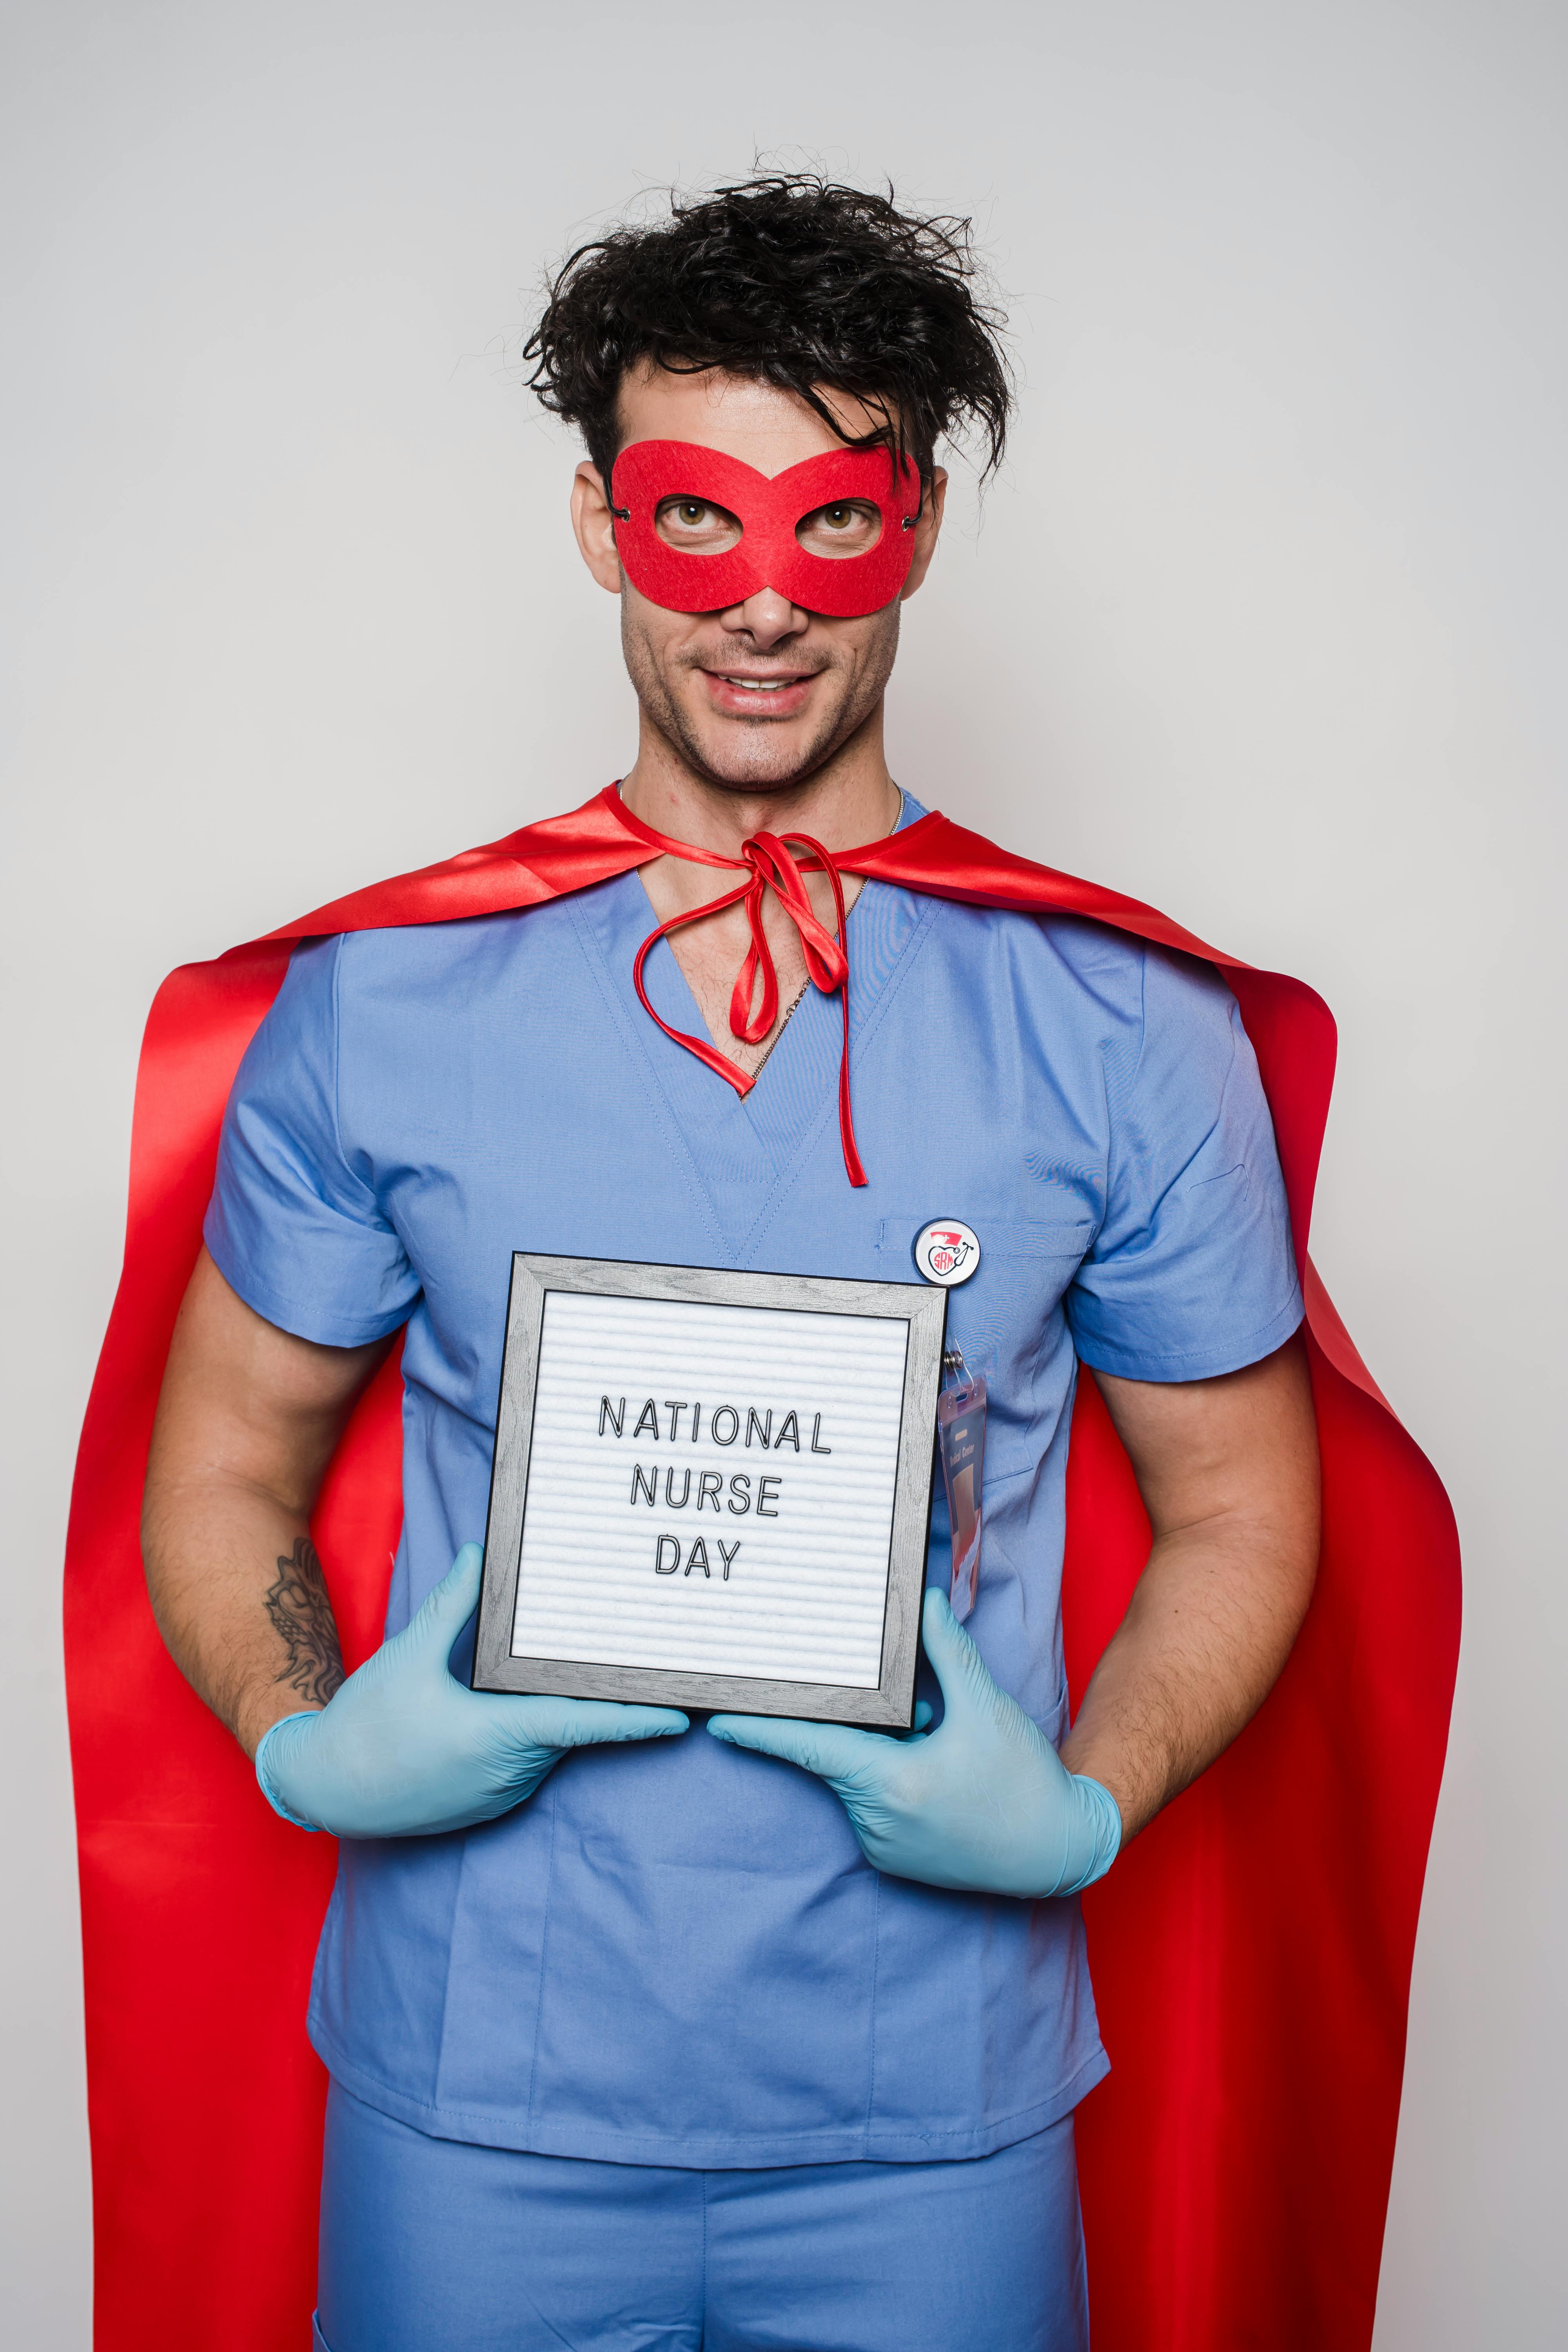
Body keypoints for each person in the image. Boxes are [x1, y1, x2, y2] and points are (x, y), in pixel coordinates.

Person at [140, 176, 1325, 2352]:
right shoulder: (386, 1006)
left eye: (832, 525)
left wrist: (1083, 1807)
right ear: (597, 516)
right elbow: (222, 1457)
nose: (761, 609)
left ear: (925, 525)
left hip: (934, 2104)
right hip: (476, 2092)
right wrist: (306, 1737)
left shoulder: (1126, 1029)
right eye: (697, 521)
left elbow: (1245, 1504)